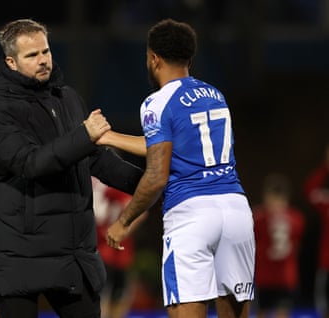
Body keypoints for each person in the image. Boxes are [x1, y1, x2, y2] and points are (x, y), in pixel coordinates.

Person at [0, 18, 143, 318]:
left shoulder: (67, 98)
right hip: (18, 255)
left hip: (70, 254)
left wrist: (149, 185)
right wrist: (84, 136)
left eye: (46, 51)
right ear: (11, 62)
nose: (43, 61)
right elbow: (29, 163)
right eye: (32, 55)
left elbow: (93, 158)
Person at [97, 19, 255, 318]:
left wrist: (124, 222)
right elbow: (169, 143)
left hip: (191, 215)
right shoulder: (215, 95)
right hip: (235, 210)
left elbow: (157, 175)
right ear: (189, 59)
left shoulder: (156, 103)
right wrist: (109, 137)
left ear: (153, 58)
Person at [92, 176, 146, 318]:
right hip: (109, 252)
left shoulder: (103, 184)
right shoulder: (106, 183)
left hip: (109, 251)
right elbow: (140, 212)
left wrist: (120, 230)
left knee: (108, 296)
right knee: (111, 296)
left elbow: (139, 213)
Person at [253, 174, 305, 318]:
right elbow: (297, 245)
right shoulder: (296, 218)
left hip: (265, 277)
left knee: (262, 313)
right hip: (287, 277)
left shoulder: (258, 217)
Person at [304, 142, 329, 318]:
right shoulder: (326, 201)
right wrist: (325, 167)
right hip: (326, 263)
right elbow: (310, 189)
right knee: (324, 306)